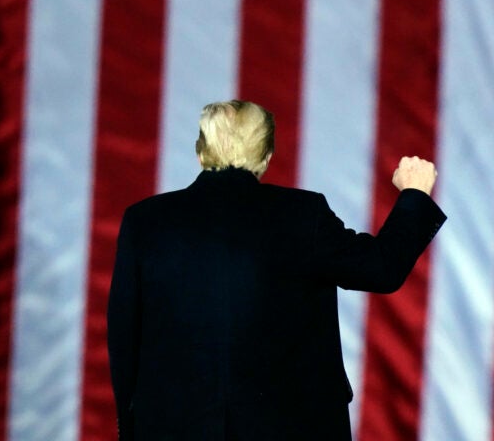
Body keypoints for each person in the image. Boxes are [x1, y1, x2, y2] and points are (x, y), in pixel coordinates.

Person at [107, 100, 446, 440]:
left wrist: (132, 428)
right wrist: (414, 193)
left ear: (201, 153)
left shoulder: (145, 222)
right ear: (266, 157)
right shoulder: (303, 215)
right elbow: (381, 268)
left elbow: (124, 337)